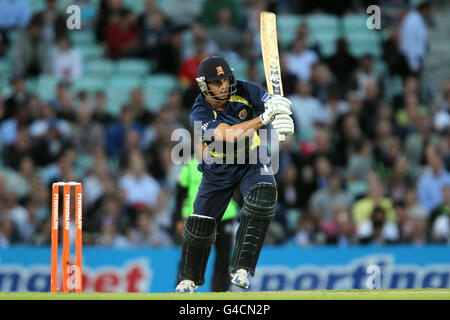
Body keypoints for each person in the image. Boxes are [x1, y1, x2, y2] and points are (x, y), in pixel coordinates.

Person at [175, 56, 294, 293]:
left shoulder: (247, 90)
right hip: (217, 167)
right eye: (216, 82)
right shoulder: (199, 111)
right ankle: (188, 279)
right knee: (200, 225)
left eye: (226, 79)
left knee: (264, 196)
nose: (223, 86)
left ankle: (242, 268)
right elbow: (229, 135)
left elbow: (272, 107)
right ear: (203, 85)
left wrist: (282, 117)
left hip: (251, 158)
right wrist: (263, 118)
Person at [173, 138, 239, 292]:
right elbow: (179, 193)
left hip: (224, 214)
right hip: (196, 215)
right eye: (199, 144)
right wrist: (178, 218)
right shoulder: (189, 165)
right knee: (190, 256)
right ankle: (182, 288)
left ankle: (220, 292)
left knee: (223, 257)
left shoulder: (225, 161)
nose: (203, 148)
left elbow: (236, 188)